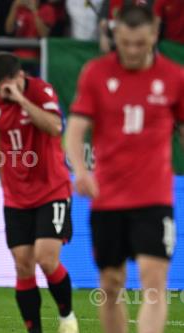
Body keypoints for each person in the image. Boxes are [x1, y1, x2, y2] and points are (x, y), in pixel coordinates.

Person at [66, 5, 184, 333]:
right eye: (126, 43)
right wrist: (81, 170)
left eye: (140, 44)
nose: (132, 51)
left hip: (155, 196)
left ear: (154, 35)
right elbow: (74, 130)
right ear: (116, 35)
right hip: (108, 198)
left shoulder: (175, 77)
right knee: (111, 282)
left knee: (154, 281)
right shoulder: (96, 72)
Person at [0, 51, 78, 333]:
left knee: (46, 259)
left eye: (6, 87)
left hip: (52, 188)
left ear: (20, 76)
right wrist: (3, 177)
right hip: (16, 194)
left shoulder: (40, 91)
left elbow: (55, 126)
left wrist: (21, 100)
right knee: (23, 266)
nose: (2, 93)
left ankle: (67, 316)